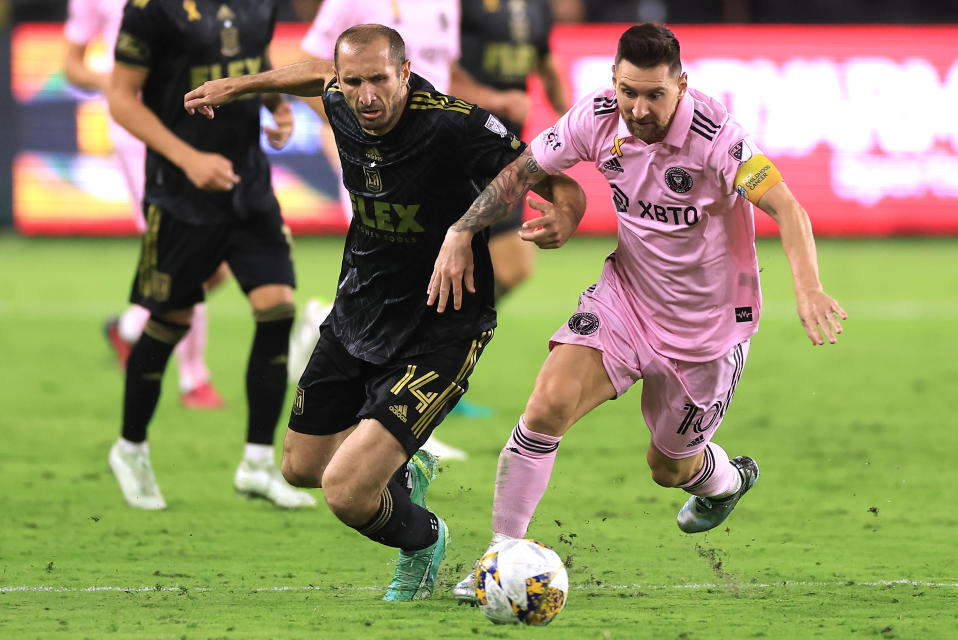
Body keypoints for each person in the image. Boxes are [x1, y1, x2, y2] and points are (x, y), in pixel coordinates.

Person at [424, 23, 849, 602]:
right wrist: (461, 229)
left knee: (669, 467)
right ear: (613, 81)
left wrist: (809, 287)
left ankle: (726, 481)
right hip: (627, 299)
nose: (639, 108)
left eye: (654, 95)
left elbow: (788, 208)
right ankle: (499, 561)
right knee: (546, 405)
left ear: (681, 85)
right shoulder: (596, 117)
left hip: (709, 330)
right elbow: (521, 171)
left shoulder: (717, 137)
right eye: (628, 92)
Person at [183, 23, 585, 600]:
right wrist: (241, 86)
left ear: (404, 72)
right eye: (354, 82)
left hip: (441, 325)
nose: (366, 96)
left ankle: (423, 542)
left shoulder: (454, 123)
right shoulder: (342, 98)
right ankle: (404, 472)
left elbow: (552, 179)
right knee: (299, 468)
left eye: (378, 80)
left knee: (346, 492)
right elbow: (315, 72)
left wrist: (563, 214)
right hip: (359, 310)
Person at [105, 0, 316, 511]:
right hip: (180, 194)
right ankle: (130, 448)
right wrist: (188, 158)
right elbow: (120, 98)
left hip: (248, 184)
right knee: (169, 320)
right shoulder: (150, 10)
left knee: (277, 307)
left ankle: (258, 462)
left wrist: (278, 106)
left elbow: (257, 68)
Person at [291, 0, 517, 444]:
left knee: (505, 268)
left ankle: (406, 399)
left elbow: (445, 72)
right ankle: (398, 415)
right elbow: (319, 66)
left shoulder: (446, 5)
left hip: (436, 150)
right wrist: (356, 123)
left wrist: (487, 102)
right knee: (401, 269)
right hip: (377, 157)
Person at [62, 0, 225, 409]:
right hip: (138, 133)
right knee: (186, 247)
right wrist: (113, 83)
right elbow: (72, 65)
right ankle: (194, 379)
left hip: (195, 122)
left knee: (217, 265)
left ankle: (132, 324)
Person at [451, 0, 569, 302]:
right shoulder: (458, 6)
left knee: (513, 267)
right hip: (460, 149)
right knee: (451, 261)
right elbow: (437, 76)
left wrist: (573, 119)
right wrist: (497, 100)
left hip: (504, 155)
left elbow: (545, 61)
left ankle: (445, 330)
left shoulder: (537, 7)